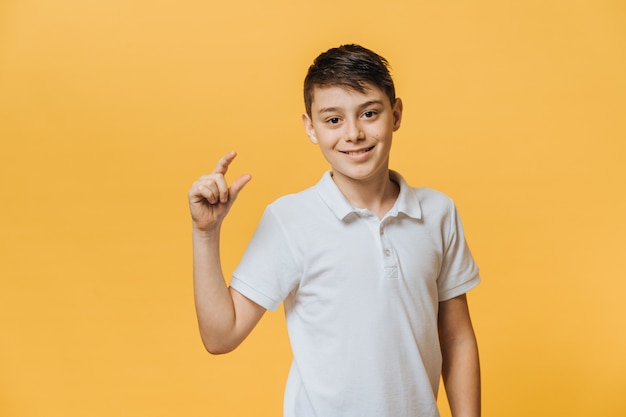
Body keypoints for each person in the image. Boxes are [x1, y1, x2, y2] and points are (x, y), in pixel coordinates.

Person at [188, 44, 481, 417]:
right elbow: (220, 336)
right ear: (311, 127)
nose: (354, 133)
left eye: (369, 113)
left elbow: (456, 339)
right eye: (333, 120)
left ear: (396, 114)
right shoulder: (290, 219)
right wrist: (205, 234)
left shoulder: (438, 213)